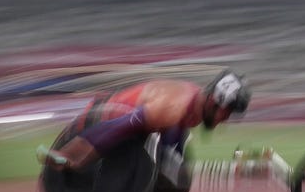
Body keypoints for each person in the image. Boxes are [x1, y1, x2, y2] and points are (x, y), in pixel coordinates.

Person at [43, 71, 250, 171]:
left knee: (174, 163)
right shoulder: (174, 108)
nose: (225, 120)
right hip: (102, 118)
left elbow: (173, 140)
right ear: (216, 101)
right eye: (227, 113)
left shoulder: (194, 106)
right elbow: (117, 127)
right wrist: (73, 157)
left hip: (136, 124)